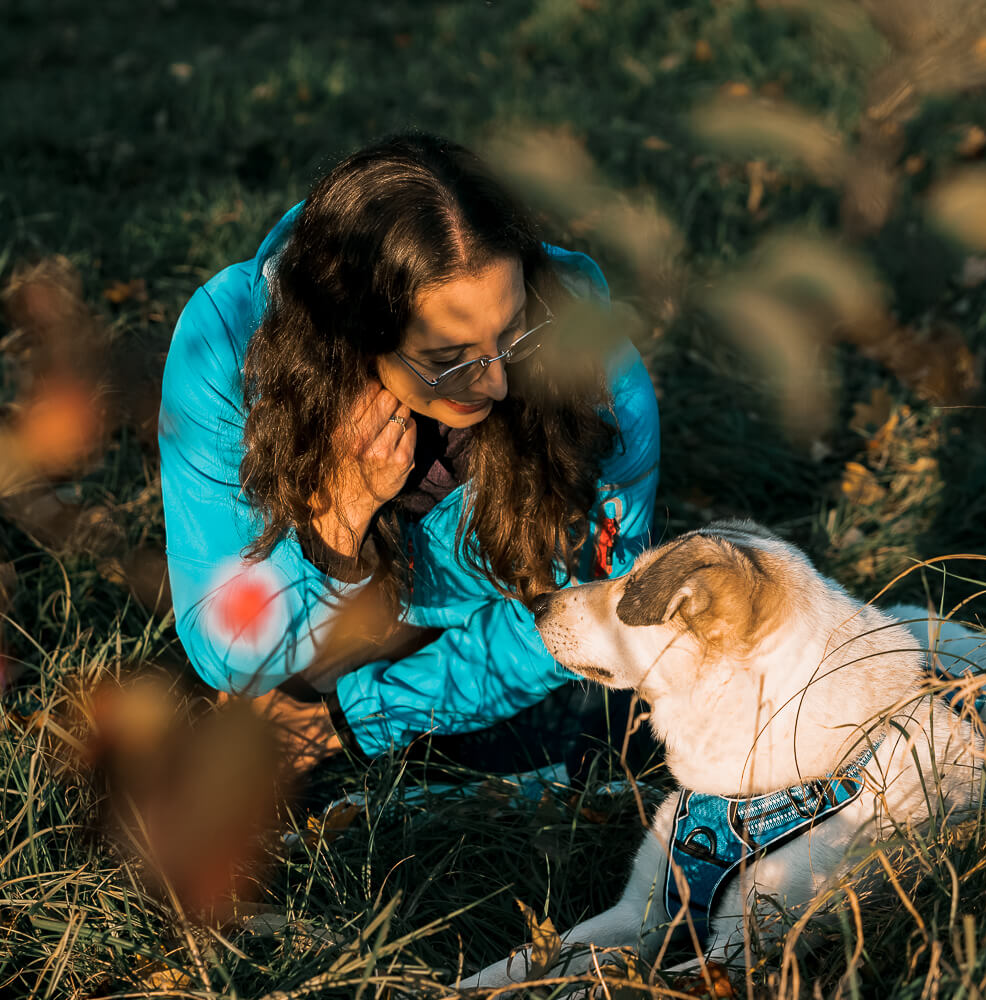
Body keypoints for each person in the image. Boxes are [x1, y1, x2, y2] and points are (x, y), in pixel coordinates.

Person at [158, 133, 659, 779]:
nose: (496, 383)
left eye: (514, 334)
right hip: (322, 617)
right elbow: (229, 654)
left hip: (499, 635)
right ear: (348, 336)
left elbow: (588, 601)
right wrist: (338, 523)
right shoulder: (228, 348)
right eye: (448, 359)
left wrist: (361, 716)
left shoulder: (592, 367)